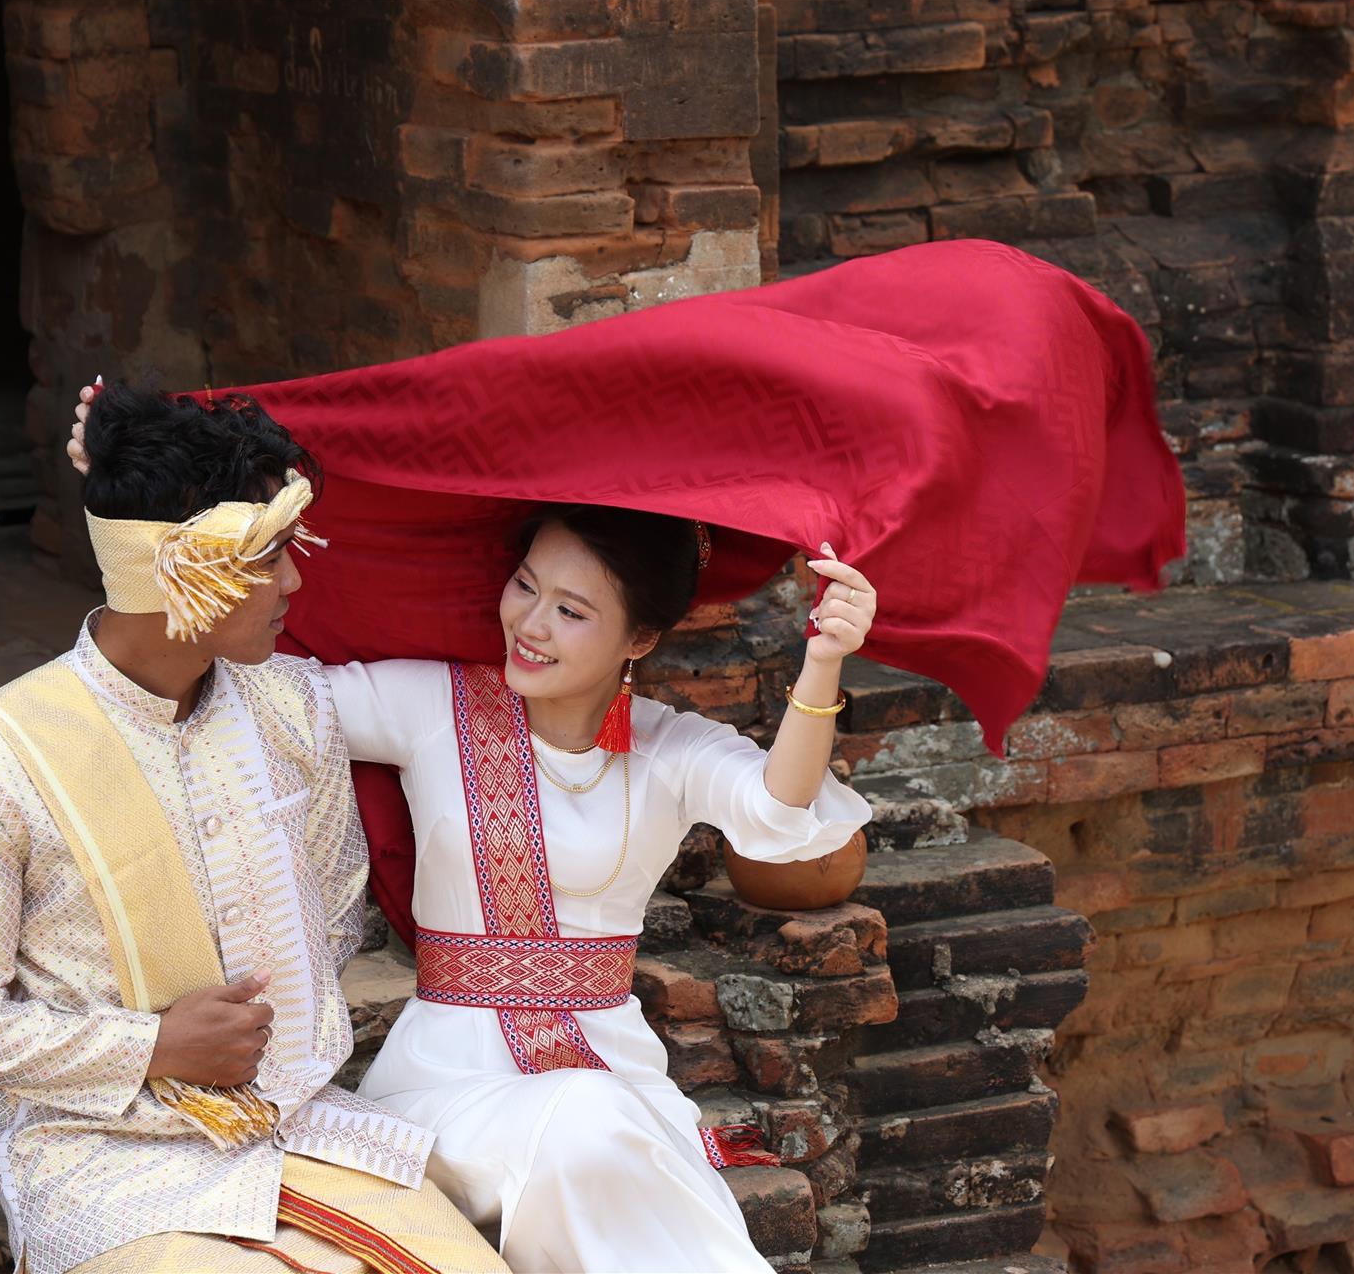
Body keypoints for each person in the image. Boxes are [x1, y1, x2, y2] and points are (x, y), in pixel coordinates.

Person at [70, 401, 880, 1273]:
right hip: (446, 1085)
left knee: (595, 1123)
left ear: (640, 638)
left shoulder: (673, 749)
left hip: (613, 1084)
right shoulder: (433, 707)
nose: (530, 624)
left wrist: (823, 662)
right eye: (525, 586)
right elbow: (257, 692)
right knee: (584, 1124)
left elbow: (781, 810)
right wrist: (142, 518)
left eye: (572, 611)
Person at [0, 385, 507, 1274]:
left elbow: (334, 912)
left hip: (298, 1129)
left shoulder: (294, 707)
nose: (295, 582)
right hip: (101, 1160)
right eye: (269, 556)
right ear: (178, 570)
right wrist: (154, 1047)